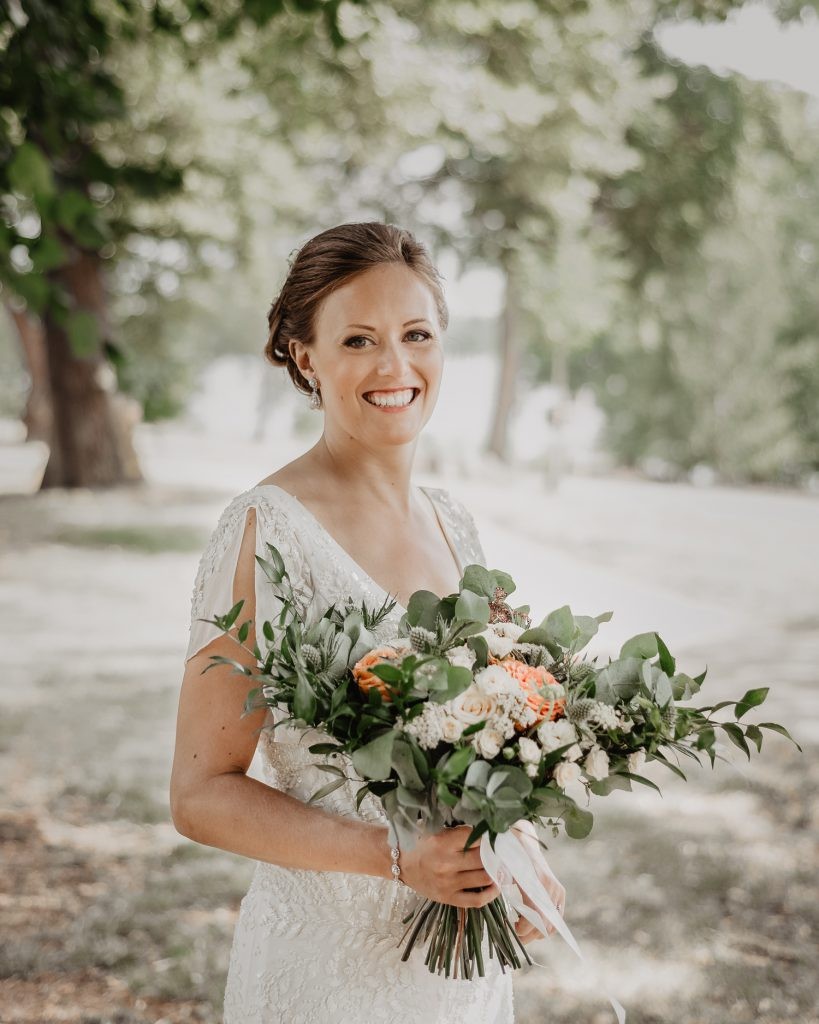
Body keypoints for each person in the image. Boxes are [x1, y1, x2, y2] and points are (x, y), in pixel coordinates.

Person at [170, 222, 565, 1024]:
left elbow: (485, 738)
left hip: (457, 974)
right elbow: (199, 793)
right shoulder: (265, 530)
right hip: (324, 971)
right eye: (358, 340)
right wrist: (394, 857)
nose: (395, 367)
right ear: (305, 357)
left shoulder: (455, 525)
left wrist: (513, 843)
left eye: (416, 334)